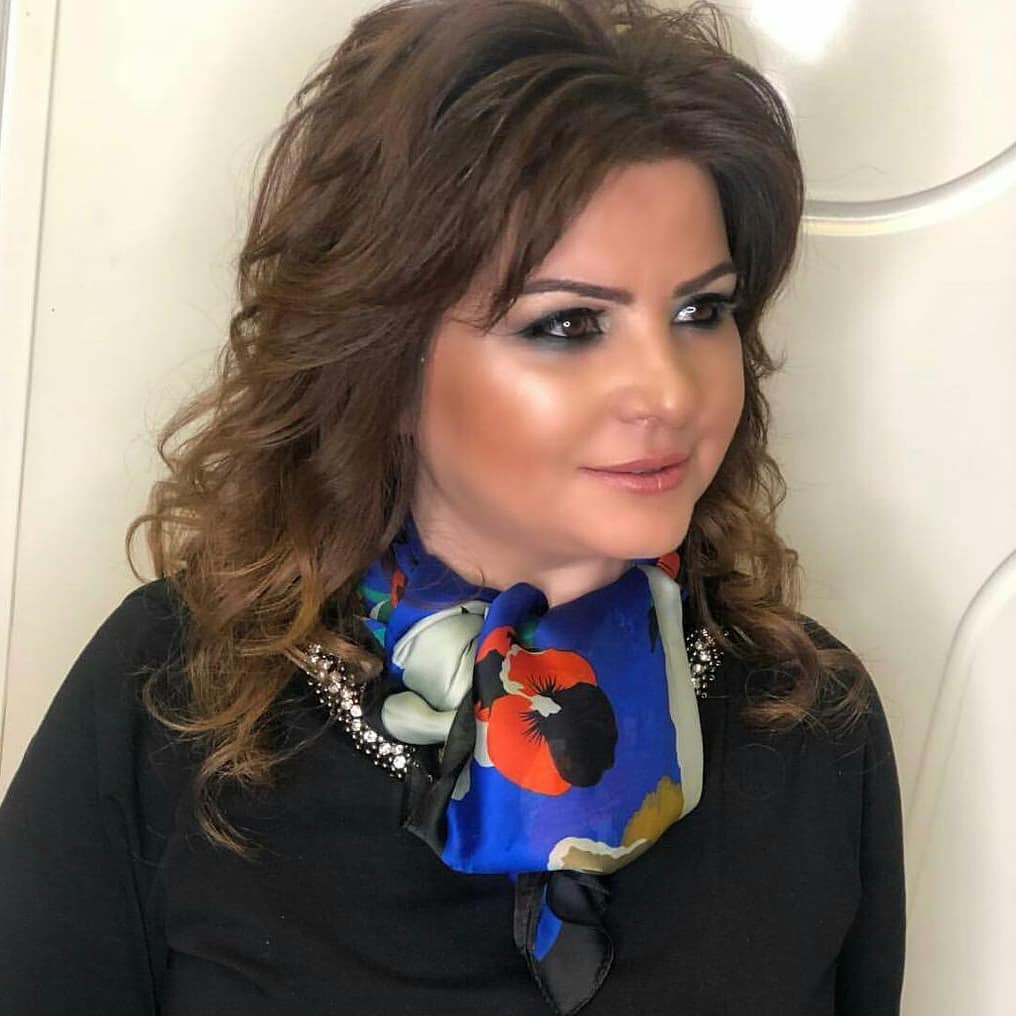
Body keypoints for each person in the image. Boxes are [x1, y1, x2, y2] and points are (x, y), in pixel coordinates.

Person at [0, 0, 905, 1013]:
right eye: (568, 324)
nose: (669, 390)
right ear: (384, 359)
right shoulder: (176, 698)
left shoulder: (809, 719)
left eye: (702, 310)